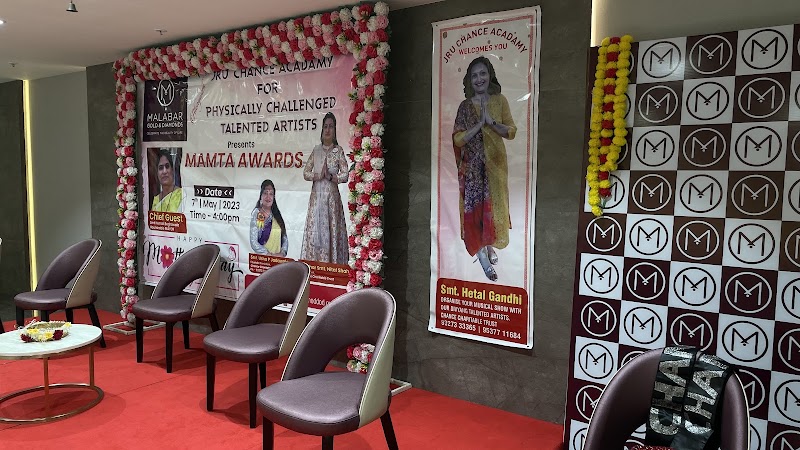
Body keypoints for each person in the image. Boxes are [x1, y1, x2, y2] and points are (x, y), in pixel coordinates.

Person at [452, 56, 517, 281]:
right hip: (471, 170)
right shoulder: (465, 106)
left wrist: (491, 122)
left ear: (490, 75)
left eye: (483, 73)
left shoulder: (500, 101)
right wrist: (478, 126)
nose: (479, 79)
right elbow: (458, 139)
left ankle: (489, 245)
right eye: (474, 75)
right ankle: (482, 256)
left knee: (492, 209)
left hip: (495, 166)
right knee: (475, 212)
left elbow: (511, 131)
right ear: (469, 80)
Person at [300, 112, 349, 264]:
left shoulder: (338, 151)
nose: (328, 130)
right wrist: (318, 175)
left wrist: (331, 177)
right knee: (316, 232)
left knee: (331, 231)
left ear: (335, 130)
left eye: (331, 127)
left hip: (331, 201)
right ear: (322, 129)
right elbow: (305, 173)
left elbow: (345, 174)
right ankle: (315, 265)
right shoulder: (316, 151)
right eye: (325, 127)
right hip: (317, 200)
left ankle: (331, 266)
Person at [250, 180, 288, 256]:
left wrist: (282, 253)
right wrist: (267, 254)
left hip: (278, 259)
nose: (268, 197)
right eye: (265, 193)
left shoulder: (276, 214)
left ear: (274, 197)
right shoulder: (257, 213)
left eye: (271, 194)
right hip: (262, 259)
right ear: (261, 195)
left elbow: (284, 237)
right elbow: (253, 242)